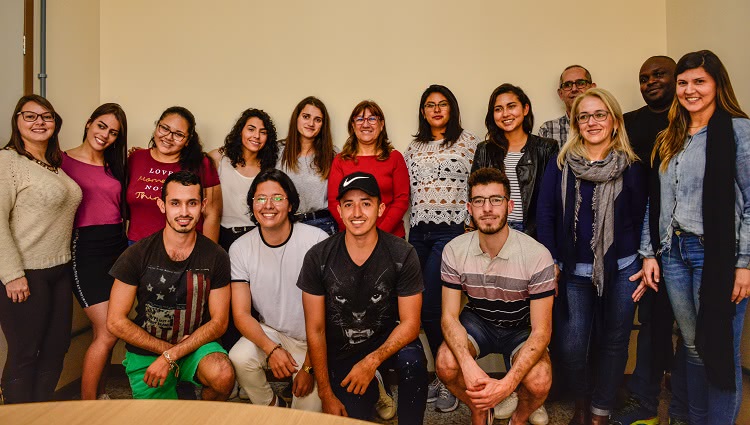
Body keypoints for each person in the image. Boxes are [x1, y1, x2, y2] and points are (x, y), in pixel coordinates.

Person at [639, 50, 750, 424]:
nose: (690, 90)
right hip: (672, 254)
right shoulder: (669, 136)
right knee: (691, 347)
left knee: (717, 349)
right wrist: (649, 252)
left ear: (718, 84)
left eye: (699, 81)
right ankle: (689, 418)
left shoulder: (738, 131)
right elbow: (654, 201)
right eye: (684, 82)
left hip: (715, 255)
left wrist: (745, 264)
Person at [536, 88, 647, 424]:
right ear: (575, 123)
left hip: (624, 269)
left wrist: (646, 259)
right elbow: (545, 214)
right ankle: (582, 401)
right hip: (573, 272)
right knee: (571, 347)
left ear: (614, 121)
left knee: (615, 341)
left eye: (600, 114)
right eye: (584, 116)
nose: (592, 121)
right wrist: (551, 262)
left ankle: (599, 409)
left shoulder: (631, 166)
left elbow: (644, 216)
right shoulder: (560, 164)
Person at [299, 171, 428, 423]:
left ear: (380, 209)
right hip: (344, 349)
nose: (357, 212)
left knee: (413, 362)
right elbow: (315, 330)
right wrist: (325, 393)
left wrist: (371, 362)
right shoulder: (318, 257)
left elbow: (411, 324)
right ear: (339, 210)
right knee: (350, 416)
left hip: (387, 344)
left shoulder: (402, 253)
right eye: (349, 204)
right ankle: (375, 388)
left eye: (365, 203)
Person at [436, 167, 555, 425]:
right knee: (446, 363)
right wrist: (467, 367)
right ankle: (480, 409)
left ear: (509, 205)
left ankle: (519, 418)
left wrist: (505, 386)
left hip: (521, 327)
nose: (487, 208)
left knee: (540, 380)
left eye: (495, 200)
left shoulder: (537, 255)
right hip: (480, 322)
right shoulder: (454, 250)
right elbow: (448, 316)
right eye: (479, 201)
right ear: (469, 207)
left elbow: (541, 331)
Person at [107, 171, 235, 400]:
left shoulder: (216, 256)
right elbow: (115, 322)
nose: (184, 212)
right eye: (175, 203)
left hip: (194, 347)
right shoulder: (136, 254)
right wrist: (165, 353)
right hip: (148, 351)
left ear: (203, 205)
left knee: (222, 373)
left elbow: (219, 322)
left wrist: (173, 355)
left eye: (192, 203)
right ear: (162, 205)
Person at [610, 55, 689, 425]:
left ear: (678, 78)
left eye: (659, 74)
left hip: (690, 241)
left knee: (694, 333)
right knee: (654, 324)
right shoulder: (629, 123)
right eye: (644, 78)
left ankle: (684, 405)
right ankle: (644, 402)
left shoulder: (692, 119)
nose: (650, 82)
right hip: (645, 241)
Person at [0, 95, 82, 404]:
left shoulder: (53, 166)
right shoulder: (8, 161)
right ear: (17, 121)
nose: (39, 122)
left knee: (56, 347)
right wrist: (11, 274)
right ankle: (17, 417)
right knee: (25, 352)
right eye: (30, 116)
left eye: (46, 117)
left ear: (55, 123)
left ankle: (41, 413)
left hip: (58, 270)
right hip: (25, 272)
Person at [403, 84, 478, 412]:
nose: (436, 110)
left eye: (442, 104)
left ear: (452, 109)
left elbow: (479, 181)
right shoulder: (414, 146)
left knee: (436, 306)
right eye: (430, 105)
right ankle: (443, 373)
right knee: (414, 307)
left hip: (451, 230)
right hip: (418, 231)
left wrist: (473, 221)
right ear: (423, 111)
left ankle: (453, 376)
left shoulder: (468, 142)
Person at [228, 169, 328, 411]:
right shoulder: (240, 248)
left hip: (315, 341)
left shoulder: (316, 240)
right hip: (273, 334)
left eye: (277, 198)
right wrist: (271, 349)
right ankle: (272, 408)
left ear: (291, 204)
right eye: (260, 198)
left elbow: (330, 316)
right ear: (252, 205)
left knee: (305, 418)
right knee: (239, 357)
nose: (268, 205)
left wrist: (307, 368)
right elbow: (241, 314)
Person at [61, 103, 129, 400]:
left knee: (105, 334)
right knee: (109, 330)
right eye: (102, 126)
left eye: (114, 132)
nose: (106, 135)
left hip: (116, 246)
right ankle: (88, 408)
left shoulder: (116, 166)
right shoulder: (60, 161)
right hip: (84, 248)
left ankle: (101, 396)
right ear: (89, 124)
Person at [472, 83, 558, 237]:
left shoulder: (546, 148)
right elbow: (474, 193)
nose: (505, 114)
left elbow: (552, 200)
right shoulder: (484, 149)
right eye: (498, 109)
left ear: (525, 109)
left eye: (511, 106)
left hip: (533, 233)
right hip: (494, 229)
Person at [126, 106, 221, 243]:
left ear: (188, 140)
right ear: (156, 127)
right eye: (164, 128)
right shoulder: (136, 158)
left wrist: (208, 255)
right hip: (138, 247)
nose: (169, 137)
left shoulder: (201, 164)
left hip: (186, 247)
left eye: (178, 134)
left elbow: (212, 214)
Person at [327, 100, 409, 238]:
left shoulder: (395, 158)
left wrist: (378, 234)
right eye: (359, 119)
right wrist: (355, 231)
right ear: (353, 125)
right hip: (352, 238)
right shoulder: (340, 160)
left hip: (390, 237)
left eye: (372, 119)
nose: (365, 124)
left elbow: (402, 200)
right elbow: (334, 202)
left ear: (381, 124)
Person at [209, 108, 278, 252]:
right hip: (224, 235)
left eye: (263, 132)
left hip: (258, 235)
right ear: (240, 131)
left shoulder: (270, 167)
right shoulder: (219, 159)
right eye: (251, 129)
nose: (256, 136)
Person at [277, 96, 337, 235]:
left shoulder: (332, 154)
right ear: (296, 118)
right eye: (306, 116)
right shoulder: (278, 151)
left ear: (323, 125)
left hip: (323, 225)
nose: (311, 123)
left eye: (317, 120)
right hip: (287, 224)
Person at [538, 65, 596, 147]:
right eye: (567, 85)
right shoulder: (548, 130)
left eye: (580, 83)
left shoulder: (605, 125)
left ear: (592, 89)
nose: (574, 89)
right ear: (560, 94)